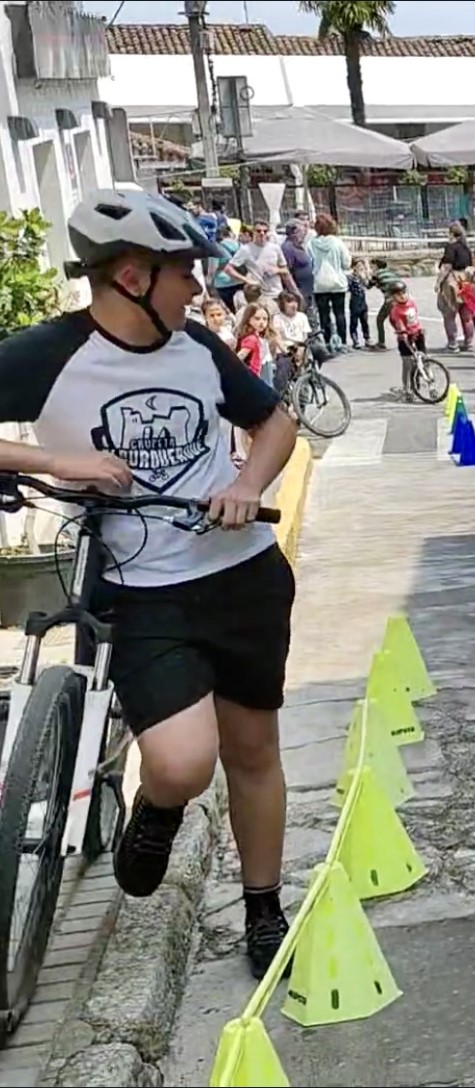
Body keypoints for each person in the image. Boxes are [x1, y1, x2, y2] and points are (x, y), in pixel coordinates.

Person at [0, 189, 298, 978]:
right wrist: (55, 462)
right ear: (132, 276)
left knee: (253, 747)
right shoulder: (47, 356)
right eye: (183, 273)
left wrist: (246, 481)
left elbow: (276, 424)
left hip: (243, 577)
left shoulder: (199, 348)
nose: (198, 289)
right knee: (178, 762)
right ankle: (157, 808)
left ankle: (264, 907)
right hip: (142, 589)